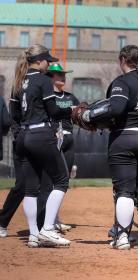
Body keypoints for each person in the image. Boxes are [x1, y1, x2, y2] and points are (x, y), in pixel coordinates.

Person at [10, 44, 73, 247]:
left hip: (24, 136)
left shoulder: (19, 81)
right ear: (39, 61)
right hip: (41, 133)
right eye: (47, 60)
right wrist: (71, 111)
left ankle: (34, 235)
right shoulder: (43, 80)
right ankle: (47, 229)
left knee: (31, 188)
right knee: (62, 181)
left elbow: (15, 115)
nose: (49, 63)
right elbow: (54, 111)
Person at [98, 45, 138, 249]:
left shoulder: (122, 82)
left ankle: (122, 237)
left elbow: (116, 108)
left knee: (124, 190)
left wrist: (91, 115)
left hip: (125, 138)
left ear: (123, 59)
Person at [36, 63, 80, 232]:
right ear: (50, 77)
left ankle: (54, 218)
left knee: (63, 181)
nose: (62, 77)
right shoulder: (47, 97)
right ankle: (47, 222)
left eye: (63, 74)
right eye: (58, 74)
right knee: (50, 183)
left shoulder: (70, 97)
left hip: (69, 139)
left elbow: (79, 116)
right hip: (53, 140)